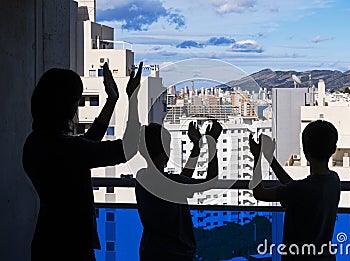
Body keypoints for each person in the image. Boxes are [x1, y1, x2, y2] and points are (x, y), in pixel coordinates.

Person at [23, 62, 143, 260]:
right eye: (75, 101)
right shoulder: (66, 149)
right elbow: (126, 149)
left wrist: (112, 100)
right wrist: (133, 97)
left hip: (46, 239)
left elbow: (86, 144)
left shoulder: (35, 143)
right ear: (64, 106)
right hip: (72, 245)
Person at [249, 120, 340, 260]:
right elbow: (294, 188)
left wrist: (257, 158)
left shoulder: (300, 189)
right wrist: (270, 159)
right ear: (333, 149)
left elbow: (259, 192)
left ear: (305, 151)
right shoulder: (334, 181)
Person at [135, 120, 222, 261]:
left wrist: (196, 149)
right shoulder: (170, 183)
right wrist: (211, 143)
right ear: (165, 150)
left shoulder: (142, 177)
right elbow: (210, 182)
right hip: (176, 253)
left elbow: (181, 184)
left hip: (151, 251)